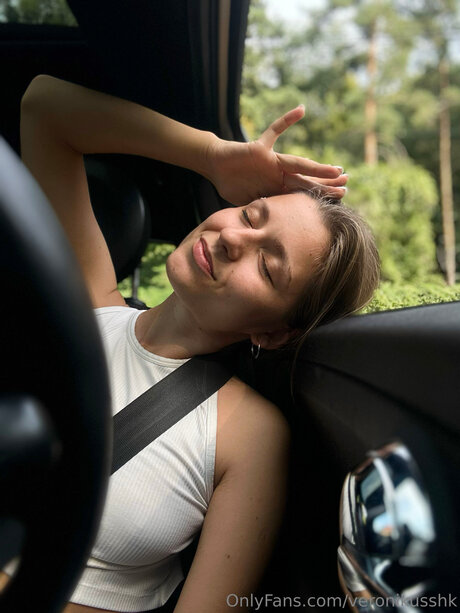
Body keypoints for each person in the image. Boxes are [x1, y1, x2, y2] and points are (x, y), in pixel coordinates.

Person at [1, 75, 380, 613]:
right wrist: (211, 155)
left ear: (273, 332)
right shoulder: (85, 305)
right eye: (250, 214)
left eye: (268, 266)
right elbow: (44, 106)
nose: (232, 239)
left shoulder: (250, 436)